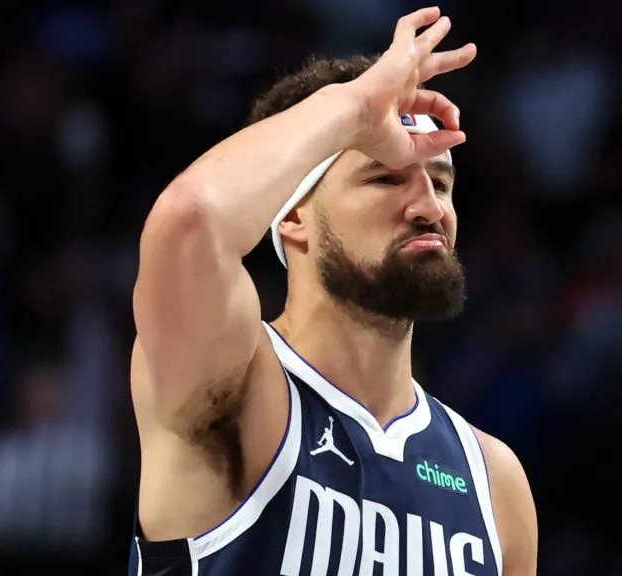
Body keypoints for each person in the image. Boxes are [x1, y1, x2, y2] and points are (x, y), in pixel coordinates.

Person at [127, 7, 537, 576]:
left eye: (441, 183)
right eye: (385, 177)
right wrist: (356, 107)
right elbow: (190, 220)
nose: (429, 208)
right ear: (292, 216)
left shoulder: (494, 482)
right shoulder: (235, 378)